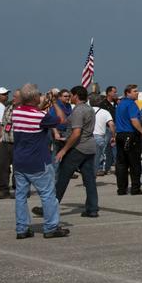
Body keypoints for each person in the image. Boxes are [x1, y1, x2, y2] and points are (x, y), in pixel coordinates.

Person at [10, 83, 69, 239]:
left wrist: (43, 102)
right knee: (48, 195)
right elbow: (62, 119)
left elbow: (34, 110)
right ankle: (51, 227)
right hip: (38, 162)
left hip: (19, 161)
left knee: (21, 196)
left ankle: (22, 228)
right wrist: (55, 102)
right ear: (35, 97)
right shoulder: (40, 116)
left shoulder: (16, 112)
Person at [51, 86, 99, 218]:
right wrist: (54, 103)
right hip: (90, 148)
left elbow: (76, 133)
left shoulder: (78, 111)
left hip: (78, 148)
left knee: (62, 178)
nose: (70, 97)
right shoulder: (88, 109)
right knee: (89, 179)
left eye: (71, 95)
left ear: (76, 96)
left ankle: (50, 207)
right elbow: (63, 120)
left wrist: (64, 150)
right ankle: (92, 208)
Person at [112, 84, 142, 195]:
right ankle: (135, 188)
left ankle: (121, 189)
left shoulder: (120, 104)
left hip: (120, 135)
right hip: (130, 135)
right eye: (135, 91)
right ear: (128, 93)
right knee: (134, 163)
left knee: (121, 163)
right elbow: (134, 120)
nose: (137, 93)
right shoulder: (132, 104)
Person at [94, 89, 116, 176]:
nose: (116, 93)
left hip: (110, 129)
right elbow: (111, 123)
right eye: (114, 92)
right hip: (104, 130)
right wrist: (113, 135)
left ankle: (105, 167)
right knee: (102, 150)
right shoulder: (103, 107)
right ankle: (99, 168)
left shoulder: (115, 103)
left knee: (108, 150)